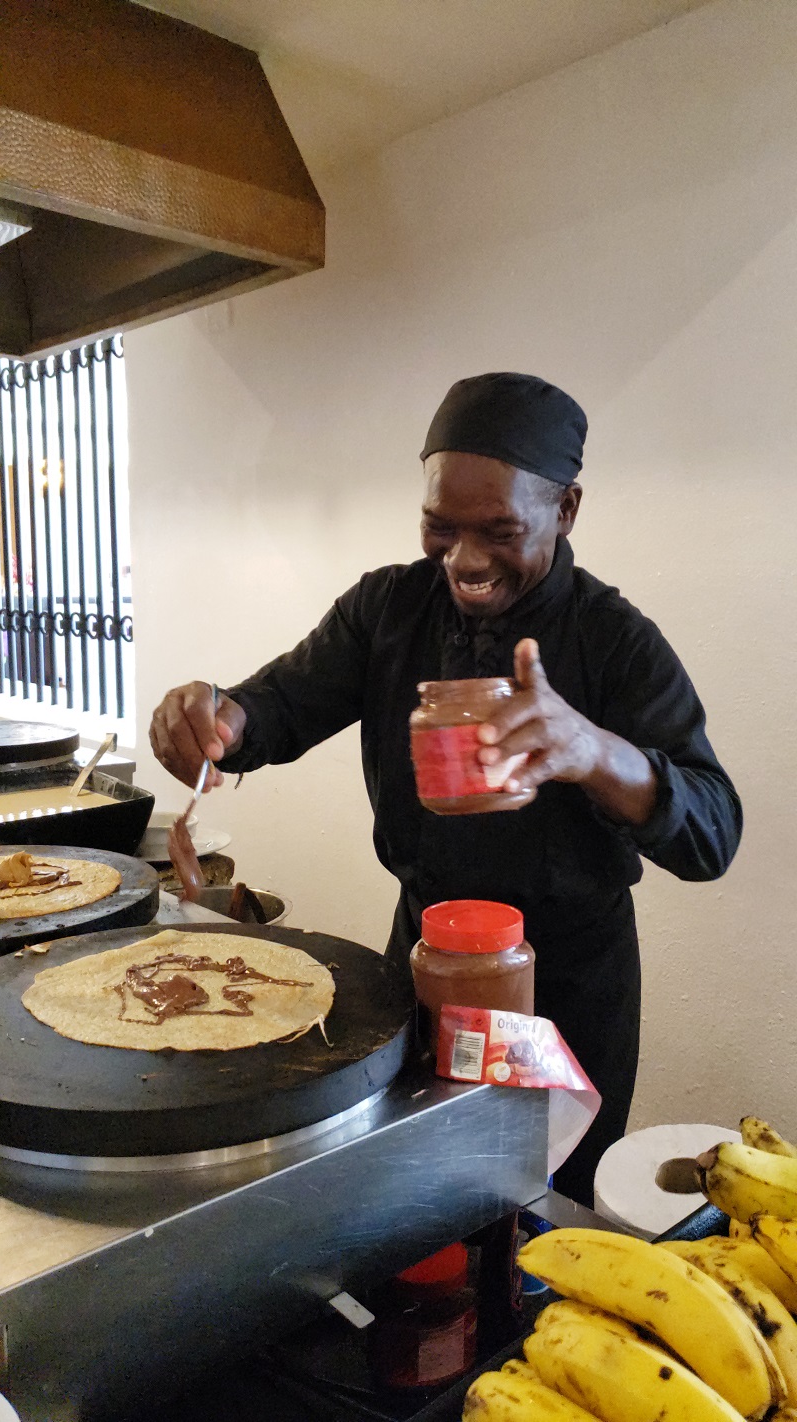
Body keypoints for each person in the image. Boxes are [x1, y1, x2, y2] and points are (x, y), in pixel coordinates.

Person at [150, 372, 742, 1206]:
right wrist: (218, 717)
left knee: (541, 1217)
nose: (465, 560)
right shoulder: (386, 610)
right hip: (424, 963)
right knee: (416, 1204)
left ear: (566, 509)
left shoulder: (616, 643)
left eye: (500, 530)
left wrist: (594, 751)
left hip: (568, 989)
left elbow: (714, 832)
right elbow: (277, 704)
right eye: (440, 528)